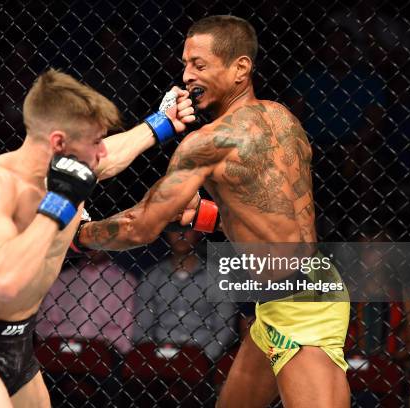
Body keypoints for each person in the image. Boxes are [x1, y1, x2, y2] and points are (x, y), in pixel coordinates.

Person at [74, 16, 351, 407]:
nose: (187, 76)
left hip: (299, 308)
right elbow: (272, 212)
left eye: (199, 65)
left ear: (240, 68)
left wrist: (79, 234)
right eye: (185, 64)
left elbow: (141, 227)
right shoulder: (283, 118)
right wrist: (207, 214)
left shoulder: (208, 143)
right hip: (305, 284)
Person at [0, 68, 196, 408]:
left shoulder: (69, 166)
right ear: (58, 143)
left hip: (19, 342)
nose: (102, 153)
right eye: (95, 142)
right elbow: (4, 281)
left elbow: (114, 153)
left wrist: (161, 123)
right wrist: (58, 206)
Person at [134, 230, 238, 362]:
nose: (181, 234)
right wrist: (149, 354)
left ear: (198, 233)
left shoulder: (217, 276)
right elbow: (141, 325)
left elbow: (225, 326)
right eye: (175, 229)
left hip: (201, 354)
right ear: (166, 233)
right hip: (159, 353)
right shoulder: (152, 276)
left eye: (188, 229)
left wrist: (205, 356)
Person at [36, 250, 136, 355]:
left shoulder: (125, 281)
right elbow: (43, 323)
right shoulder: (62, 278)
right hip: (60, 347)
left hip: (106, 351)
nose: (95, 249)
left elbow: (127, 329)